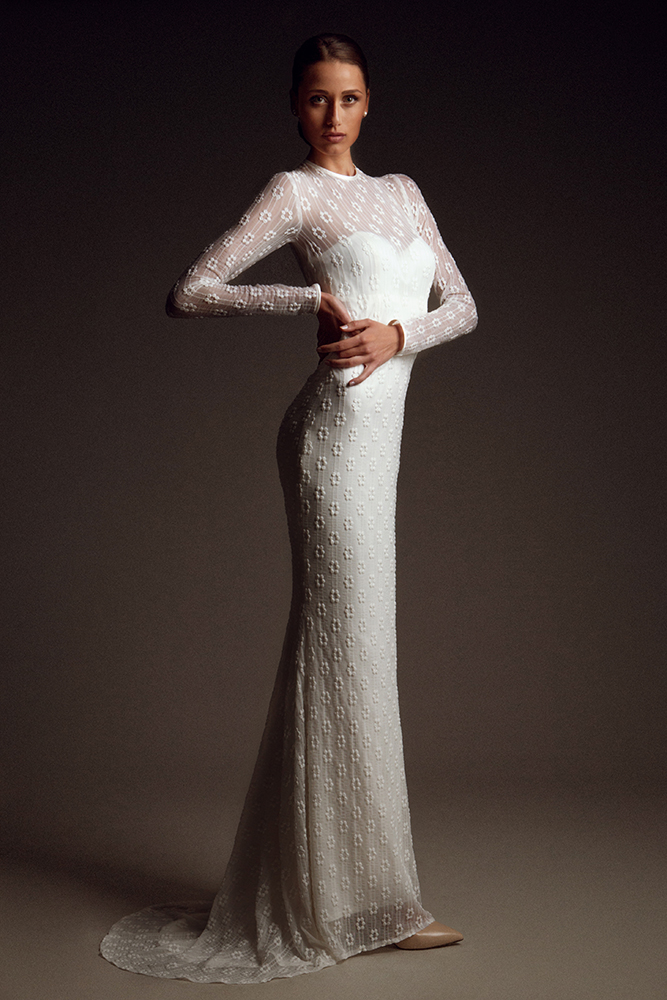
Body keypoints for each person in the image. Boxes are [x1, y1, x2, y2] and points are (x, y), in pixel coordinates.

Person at [100, 32, 477, 984]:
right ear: (295, 106)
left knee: (365, 654)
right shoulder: (294, 192)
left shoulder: (404, 194)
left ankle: (372, 898)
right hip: (330, 441)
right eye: (316, 98)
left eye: (347, 98)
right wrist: (305, 299)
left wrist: (397, 333)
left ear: (368, 102)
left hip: (380, 446)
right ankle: (340, 902)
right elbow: (191, 292)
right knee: (341, 649)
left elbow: (465, 306)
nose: (333, 115)